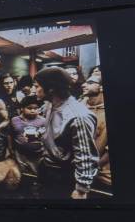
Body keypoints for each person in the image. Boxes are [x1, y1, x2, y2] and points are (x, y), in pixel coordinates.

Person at [33, 67, 98, 199]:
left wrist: (81, 190)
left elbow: (85, 155)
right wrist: (40, 135)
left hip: (64, 175)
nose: (34, 89)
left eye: (37, 86)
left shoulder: (78, 116)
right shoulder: (51, 104)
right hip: (48, 168)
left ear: (51, 89)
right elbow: (56, 133)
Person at [9, 96, 47, 197]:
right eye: (30, 108)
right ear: (22, 108)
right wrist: (10, 149)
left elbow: (47, 136)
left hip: (38, 155)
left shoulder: (43, 121)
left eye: (36, 108)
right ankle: (23, 195)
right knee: (22, 176)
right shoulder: (15, 120)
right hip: (20, 155)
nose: (33, 110)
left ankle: (36, 194)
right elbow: (10, 135)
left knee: (37, 177)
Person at [83, 69, 111, 195]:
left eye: (90, 82)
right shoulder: (79, 106)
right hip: (78, 171)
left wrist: (95, 165)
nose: (83, 85)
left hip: (103, 176)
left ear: (101, 87)